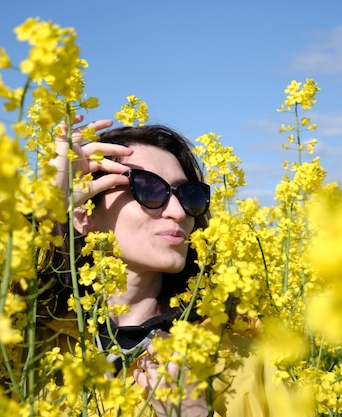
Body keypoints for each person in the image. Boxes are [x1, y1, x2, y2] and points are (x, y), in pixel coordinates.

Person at [39, 116, 213, 416]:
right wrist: (42, 207)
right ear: (84, 215)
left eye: (189, 194)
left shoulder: (230, 347)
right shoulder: (33, 338)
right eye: (147, 189)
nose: (178, 212)